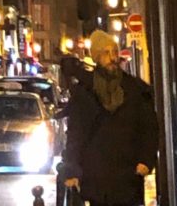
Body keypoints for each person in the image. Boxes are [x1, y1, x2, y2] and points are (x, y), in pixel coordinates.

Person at [62, 30, 158, 206]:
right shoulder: (84, 92)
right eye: (106, 53)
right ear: (97, 57)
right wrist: (72, 170)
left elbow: (149, 128)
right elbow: (76, 134)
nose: (113, 58)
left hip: (128, 174)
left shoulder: (135, 90)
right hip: (95, 176)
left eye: (114, 52)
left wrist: (146, 160)